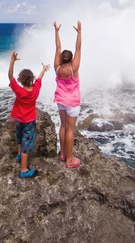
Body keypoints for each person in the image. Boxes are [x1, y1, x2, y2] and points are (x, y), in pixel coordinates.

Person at [8, 50, 50, 178]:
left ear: (20, 80)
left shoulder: (19, 91)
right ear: (31, 79)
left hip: (19, 120)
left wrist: (12, 62)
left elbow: (10, 76)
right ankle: (24, 170)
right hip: (29, 121)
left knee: (20, 138)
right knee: (27, 144)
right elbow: (39, 78)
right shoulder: (36, 90)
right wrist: (43, 69)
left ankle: (19, 154)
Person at [53, 20, 82, 168]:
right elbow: (78, 48)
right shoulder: (73, 69)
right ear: (71, 60)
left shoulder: (57, 68)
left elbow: (58, 48)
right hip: (72, 102)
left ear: (61, 59)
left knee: (63, 126)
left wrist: (57, 32)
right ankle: (70, 160)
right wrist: (79, 32)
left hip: (60, 101)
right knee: (70, 130)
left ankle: (63, 154)